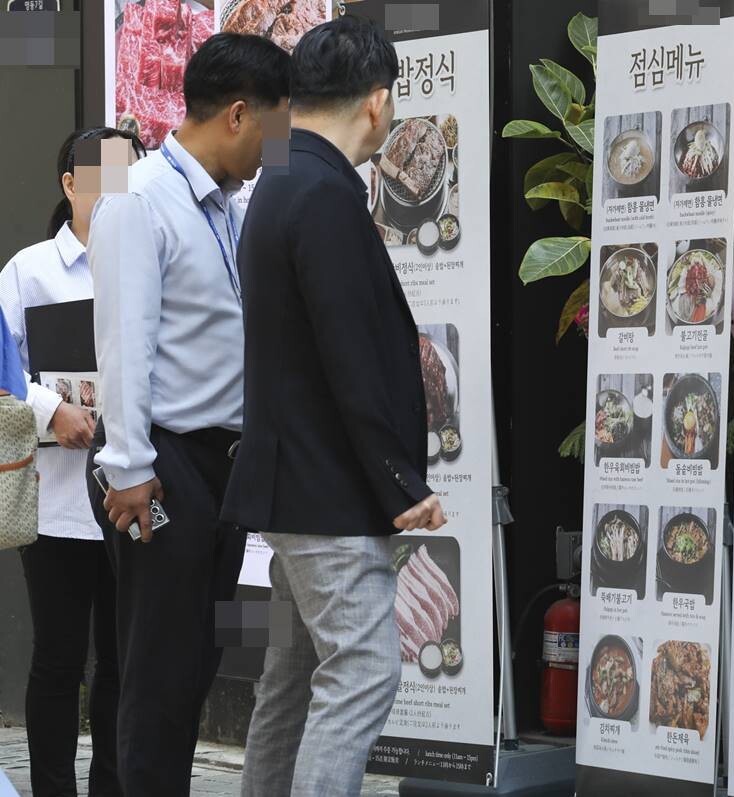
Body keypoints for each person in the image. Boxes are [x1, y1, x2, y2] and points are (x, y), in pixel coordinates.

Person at [224, 16, 445, 796]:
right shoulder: (318, 190)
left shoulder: (285, 176)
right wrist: (401, 484)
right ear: (379, 103)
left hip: (293, 483)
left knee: (291, 679)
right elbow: (351, 360)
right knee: (362, 672)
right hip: (326, 493)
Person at [85, 33, 289, 796]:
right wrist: (131, 469)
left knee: (196, 661)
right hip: (161, 465)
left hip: (220, 468)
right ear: (239, 115)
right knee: (159, 671)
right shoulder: (138, 198)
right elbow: (125, 346)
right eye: (278, 126)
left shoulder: (229, 205)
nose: (280, 147)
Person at [0, 126, 145, 797]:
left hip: (134, 492)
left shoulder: (149, 261)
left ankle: (111, 787)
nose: (123, 192)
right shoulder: (29, 270)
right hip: (57, 499)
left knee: (123, 661)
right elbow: (2, 372)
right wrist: (50, 409)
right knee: (60, 661)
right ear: (70, 185)